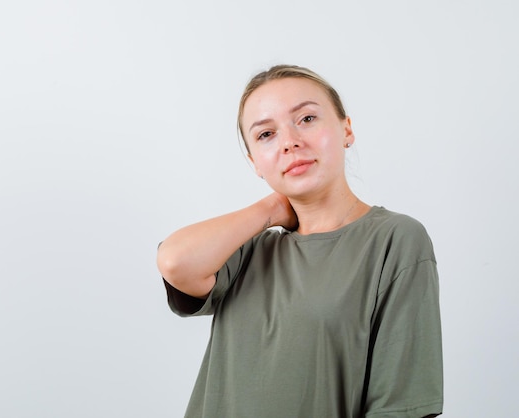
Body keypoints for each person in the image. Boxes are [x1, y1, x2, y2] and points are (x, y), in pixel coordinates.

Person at [157, 64, 443, 417]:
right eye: (266, 135)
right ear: (254, 162)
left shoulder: (394, 240)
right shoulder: (249, 247)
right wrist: (271, 208)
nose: (290, 141)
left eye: (306, 119)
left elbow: (401, 406)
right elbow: (175, 261)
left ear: (346, 129)